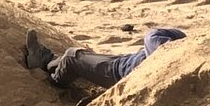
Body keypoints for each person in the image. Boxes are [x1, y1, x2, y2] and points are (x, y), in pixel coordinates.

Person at [22, 27, 186, 88]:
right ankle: (50, 61)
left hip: (119, 73)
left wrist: (167, 35)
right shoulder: (185, 53)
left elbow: (151, 36)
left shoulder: (170, 53)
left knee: (72, 56)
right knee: (83, 56)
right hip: (125, 62)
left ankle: (51, 72)